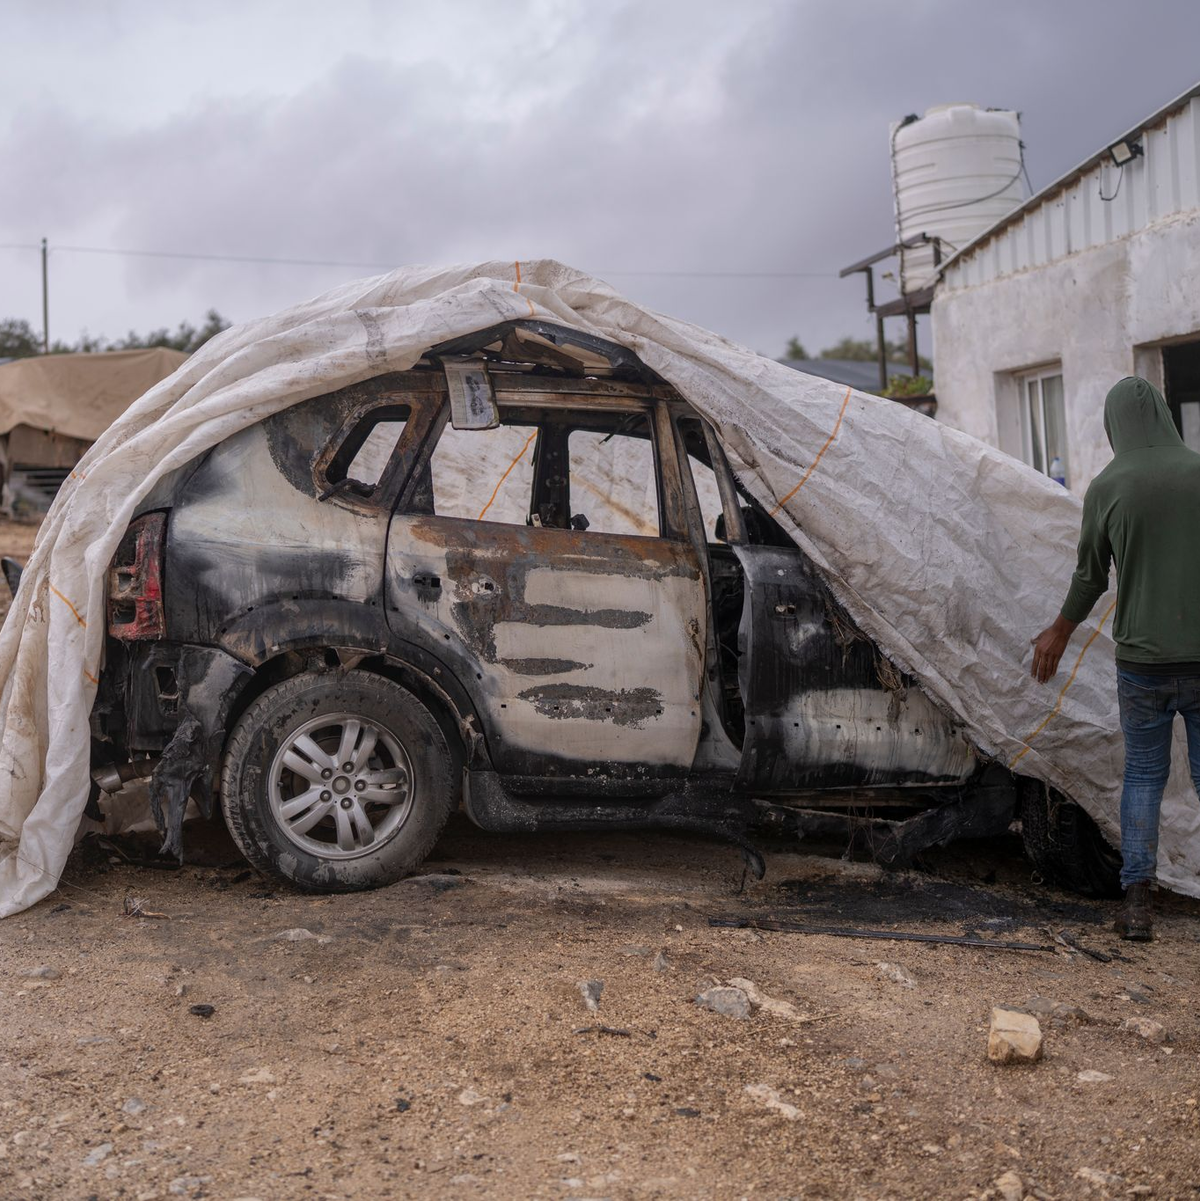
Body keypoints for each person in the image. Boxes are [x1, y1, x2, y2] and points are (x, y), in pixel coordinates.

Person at [1030, 377, 1200, 941]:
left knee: (1145, 777)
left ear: (1113, 425)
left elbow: (1089, 578)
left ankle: (1138, 906)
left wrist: (1059, 633)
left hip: (1143, 665)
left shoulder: (1107, 486)